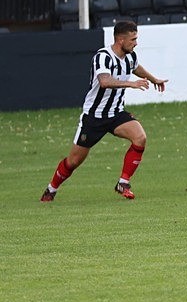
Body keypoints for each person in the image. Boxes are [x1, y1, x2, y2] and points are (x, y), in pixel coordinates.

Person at [41, 20, 168, 202]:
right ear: (120, 40)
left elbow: (135, 67)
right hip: (94, 117)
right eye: (133, 39)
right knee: (73, 161)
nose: (136, 43)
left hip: (116, 114)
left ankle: (123, 182)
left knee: (140, 137)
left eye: (136, 38)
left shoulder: (131, 56)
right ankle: (51, 189)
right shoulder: (103, 57)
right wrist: (131, 84)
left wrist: (154, 79)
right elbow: (104, 81)